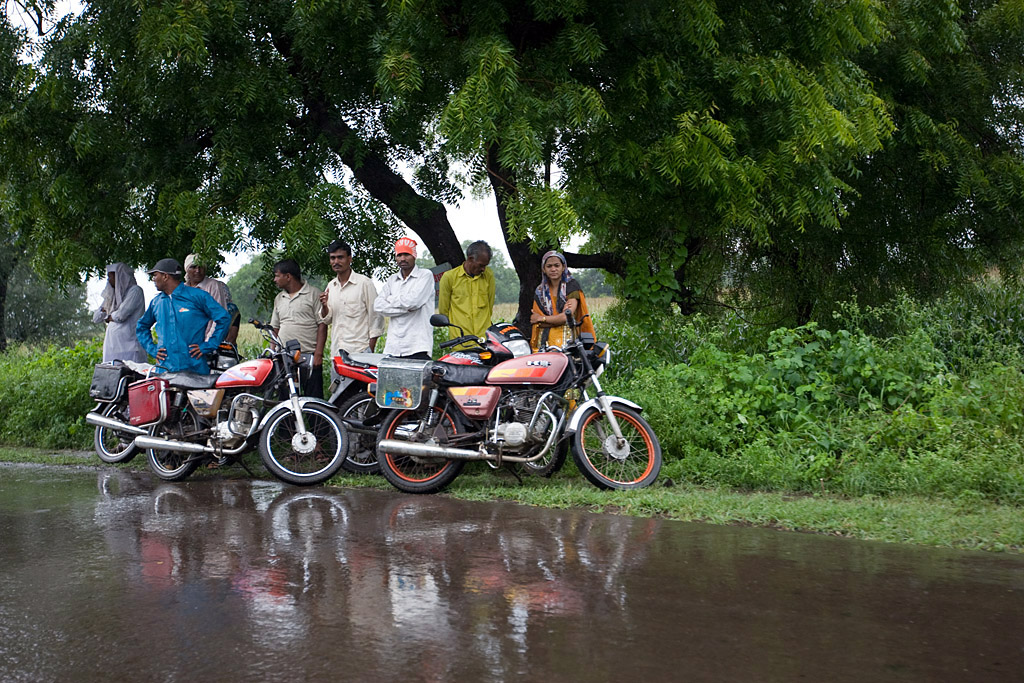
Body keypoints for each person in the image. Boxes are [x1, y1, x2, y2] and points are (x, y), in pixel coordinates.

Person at [135, 258, 232, 374]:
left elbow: (224, 318)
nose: (153, 279)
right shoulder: (156, 302)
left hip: (194, 369)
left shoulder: (198, 296)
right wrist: (153, 350)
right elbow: (141, 327)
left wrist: (208, 345)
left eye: (155, 275)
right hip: (165, 370)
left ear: (165, 276)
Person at [317, 240, 384, 376]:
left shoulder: (364, 283)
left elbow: (376, 318)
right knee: (338, 390)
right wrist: (324, 306)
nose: (336, 261)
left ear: (349, 259)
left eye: (340, 257)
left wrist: (369, 352)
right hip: (337, 354)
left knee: (360, 390)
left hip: (360, 354)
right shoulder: (331, 286)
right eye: (333, 258)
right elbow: (327, 319)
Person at [271, 258, 327, 398]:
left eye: (277, 276)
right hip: (284, 357)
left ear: (288, 276)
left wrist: (318, 354)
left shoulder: (314, 294)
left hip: (308, 356)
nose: (275, 280)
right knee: (285, 399)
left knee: (313, 398)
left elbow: (322, 324)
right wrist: (272, 353)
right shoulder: (279, 298)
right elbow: (275, 328)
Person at [373, 237, 435, 360]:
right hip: (393, 348)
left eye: (406, 254)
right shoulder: (392, 280)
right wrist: (406, 308)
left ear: (414, 256)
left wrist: (390, 299)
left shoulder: (425, 276)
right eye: (399, 255)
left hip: (417, 346)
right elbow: (378, 306)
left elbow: (413, 302)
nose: (402, 259)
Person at [529, 250, 596, 351]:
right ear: (544, 269)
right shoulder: (540, 291)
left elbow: (565, 318)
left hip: (567, 341)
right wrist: (556, 319)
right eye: (549, 266)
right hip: (544, 342)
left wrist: (542, 318)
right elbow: (535, 322)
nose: (553, 269)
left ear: (563, 267)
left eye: (557, 265)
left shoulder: (571, 286)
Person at [437, 240, 495, 349]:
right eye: (481, 265)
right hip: (460, 342)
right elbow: (444, 311)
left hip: (484, 342)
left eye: (485, 266)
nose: (483, 269)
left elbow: (489, 305)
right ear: (470, 259)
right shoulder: (449, 277)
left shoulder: (488, 275)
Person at [92, 262, 148, 363]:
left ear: (120, 276)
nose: (109, 280)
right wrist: (105, 310)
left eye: (111, 277)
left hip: (130, 346)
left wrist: (108, 317)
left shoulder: (135, 291)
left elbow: (121, 315)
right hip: (112, 346)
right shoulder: (112, 296)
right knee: (112, 371)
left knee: (131, 372)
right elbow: (96, 318)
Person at [184, 253, 240, 344]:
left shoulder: (213, 286)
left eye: (201, 267)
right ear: (187, 270)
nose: (198, 270)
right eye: (193, 267)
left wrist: (208, 343)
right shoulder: (183, 289)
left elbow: (218, 319)